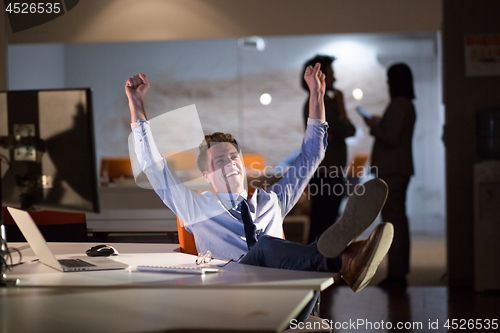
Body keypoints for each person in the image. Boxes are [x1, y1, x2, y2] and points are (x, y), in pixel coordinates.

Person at [126, 64, 393, 319]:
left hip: (290, 300)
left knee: (298, 255)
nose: (230, 163)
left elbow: (312, 155)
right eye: (220, 161)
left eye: (233, 158)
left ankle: (345, 258)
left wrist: (316, 95)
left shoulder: (271, 200)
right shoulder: (196, 208)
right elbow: (153, 167)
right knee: (266, 247)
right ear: (206, 176)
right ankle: (345, 260)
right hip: (235, 301)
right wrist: (136, 105)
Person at [361, 63, 416, 289]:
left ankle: (397, 275)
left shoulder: (398, 104)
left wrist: (374, 127)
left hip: (393, 171)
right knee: (397, 222)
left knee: (393, 225)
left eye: (390, 79)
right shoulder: (406, 105)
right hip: (398, 170)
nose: (387, 84)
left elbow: (391, 137)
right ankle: (398, 272)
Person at [301, 55, 356, 244]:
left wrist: (341, 109)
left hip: (334, 169)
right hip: (324, 170)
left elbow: (349, 130)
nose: (335, 79)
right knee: (321, 222)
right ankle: (312, 265)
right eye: (331, 74)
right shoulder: (315, 103)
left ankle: (322, 263)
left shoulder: (330, 102)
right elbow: (327, 135)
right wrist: (341, 111)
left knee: (330, 220)